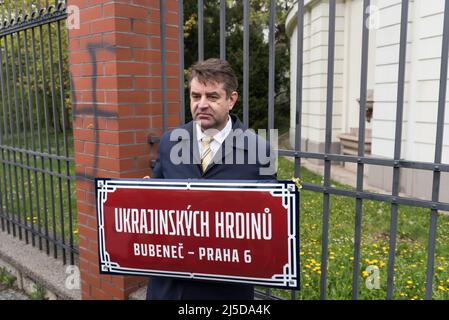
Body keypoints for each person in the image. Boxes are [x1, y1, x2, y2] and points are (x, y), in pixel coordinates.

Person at [146, 58, 276, 300]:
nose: (202, 104)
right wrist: (142, 197)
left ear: (231, 100)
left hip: (225, 291)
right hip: (170, 288)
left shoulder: (261, 151)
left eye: (212, 97)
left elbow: (268, 226)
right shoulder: (169, 141)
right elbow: (157, 207)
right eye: (196, 96)